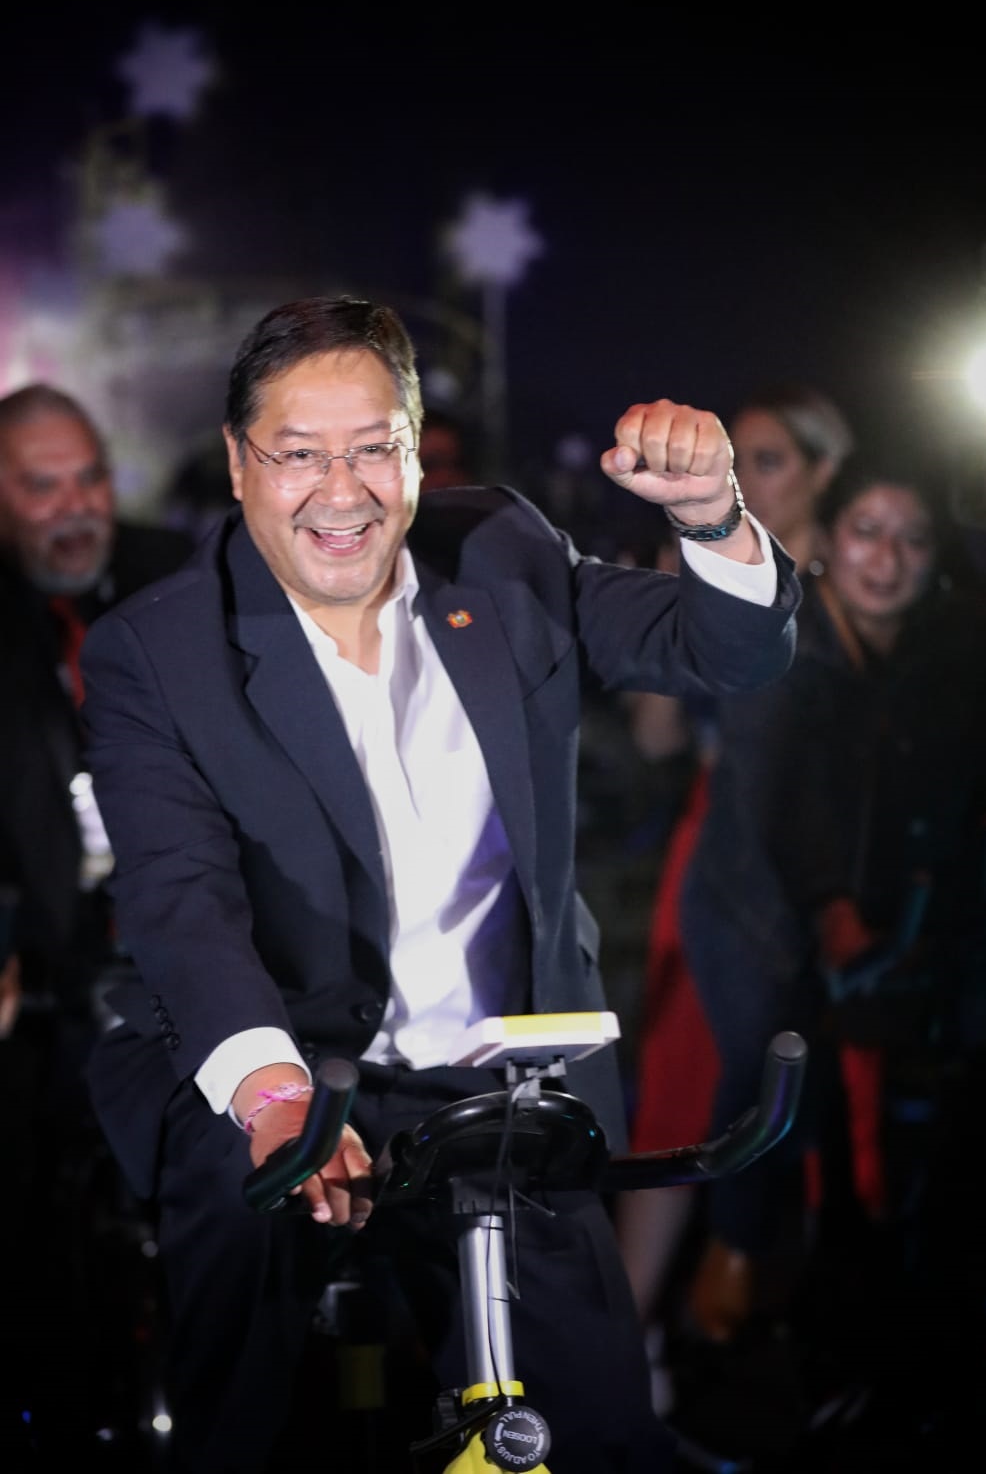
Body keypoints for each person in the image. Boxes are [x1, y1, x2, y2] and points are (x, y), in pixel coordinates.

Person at [78, 293, 802, 1474]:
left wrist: (711, 514)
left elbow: (727, 650)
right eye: (299, 454)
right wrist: (272, 1098)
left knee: (595, 1430)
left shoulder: (501, 549)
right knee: (249, 1413)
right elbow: (180, 898)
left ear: (416, 452)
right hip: (282, 1065)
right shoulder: (157, 651)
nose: (342, 491)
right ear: (239, 463)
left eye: (374, 447)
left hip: (497, 1072)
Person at [663, 447, 986, 1460]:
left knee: (877, 1124)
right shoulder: (784, 638)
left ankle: (836, 1340)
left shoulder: (935, 656)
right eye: (867, 531)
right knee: (765, 1085)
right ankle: (719, 1305)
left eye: (912, 539)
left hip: (867, 924)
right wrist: (830, 915)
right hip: (754, 908)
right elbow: (769, 803)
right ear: (827, 540)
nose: (886, 558)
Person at [615, 383, 855, 1373]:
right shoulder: (709, 563)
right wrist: (670, 610)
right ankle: (632, 1341)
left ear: (822, 470)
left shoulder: (861, 568)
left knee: (820, 1091)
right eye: (737, 459)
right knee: (682, 1081)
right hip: (718, 846)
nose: (747, 479)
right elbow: (656, 738)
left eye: (769, 461)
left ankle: (785, 1329)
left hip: (834, 858)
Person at [0, 382, 193, 1453]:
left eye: (90, 480)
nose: (75, 507)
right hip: (39, 959)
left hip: (183, 944)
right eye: (43, 487)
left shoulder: (178, 574)